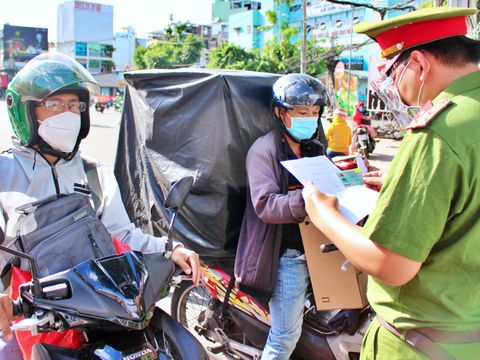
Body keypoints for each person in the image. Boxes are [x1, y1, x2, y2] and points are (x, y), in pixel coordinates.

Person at [302, 7, 480, 360]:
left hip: (418, 343)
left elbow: (391, 264)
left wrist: (323, 215)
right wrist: (406, 188)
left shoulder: (439, 132)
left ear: (419, 64)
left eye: (395, 72)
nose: (397, 86)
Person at [0, 53, 200, 357]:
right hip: (28, 321)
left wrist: (169, 249)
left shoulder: (95, 174)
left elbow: (122, 234)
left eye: (74, 106)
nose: (68, 114)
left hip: (103, 316)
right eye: (54, 105)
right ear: (27, 111)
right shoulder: (5, 174)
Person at [234, 73, 328, 359]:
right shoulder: (264, 150)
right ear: (279, 112)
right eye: (301, 112)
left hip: (320, 247)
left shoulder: (314, 146)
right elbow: (265, 205)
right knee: (285, 337)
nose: (309, 119)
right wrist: (308, 198)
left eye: (314, 113)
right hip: (288, 254)